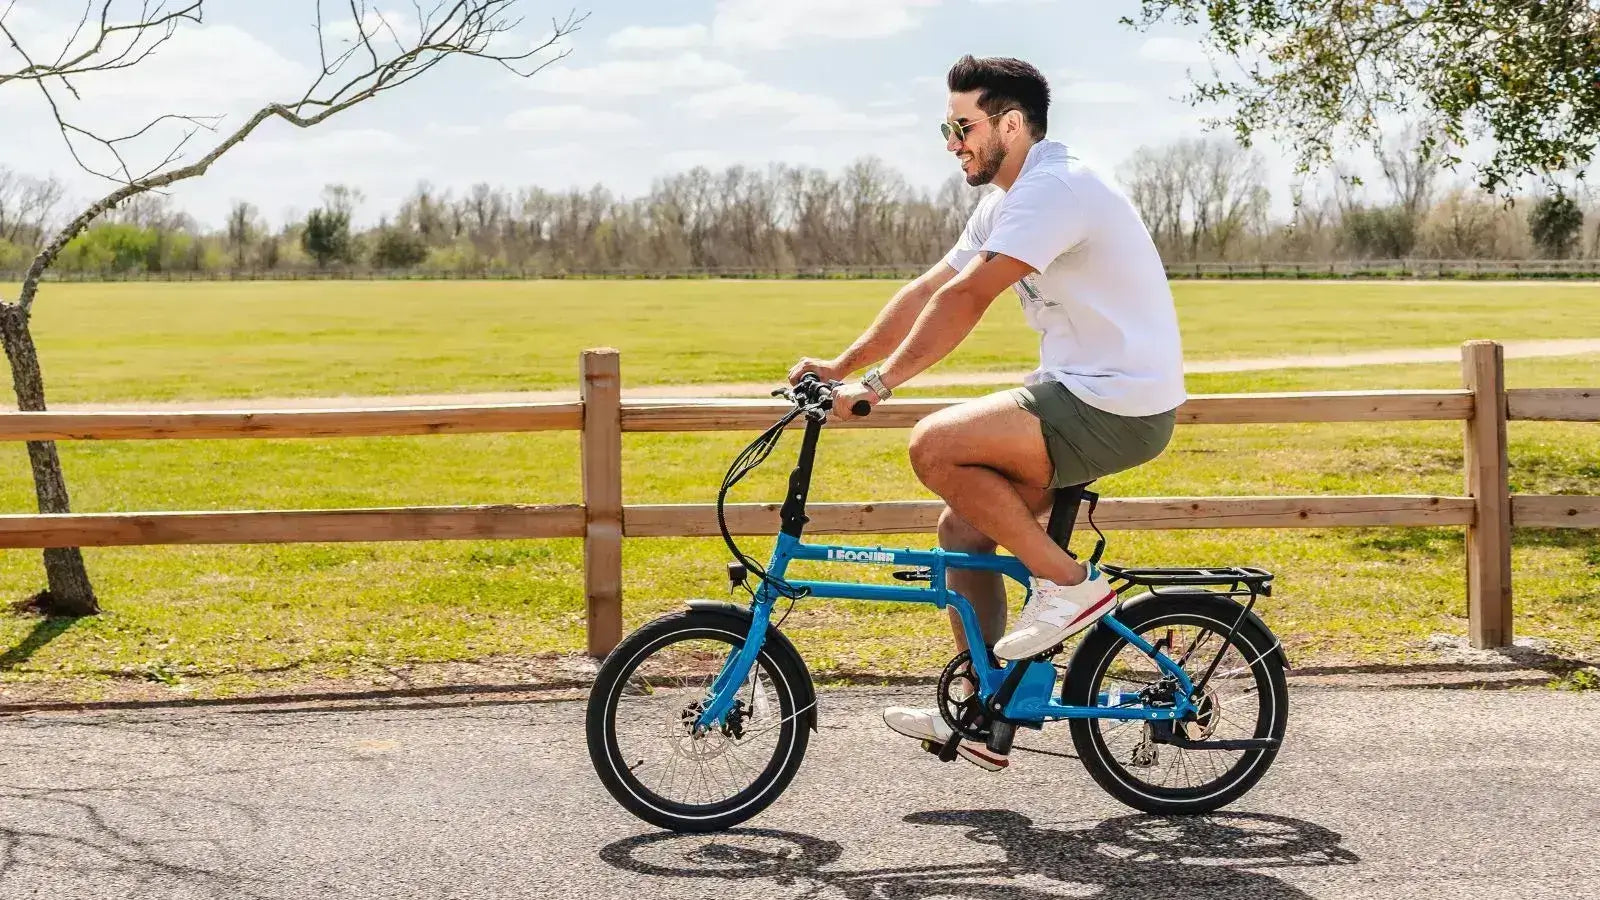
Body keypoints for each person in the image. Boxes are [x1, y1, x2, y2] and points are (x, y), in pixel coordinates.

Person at [787, 55, 1186, 772]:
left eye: (962, 126)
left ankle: (1068, 587)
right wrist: (840, 367)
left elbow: (967, 300)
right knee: (961, 530)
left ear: (1011, 123)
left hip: (1116, 400)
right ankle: (985, 708)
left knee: (935, 446)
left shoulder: (1054, 188)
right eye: (948, 126)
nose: (952, 142)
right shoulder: (1008, 197)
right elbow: (929, 288)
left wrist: (881, 384)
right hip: (1085, 390)